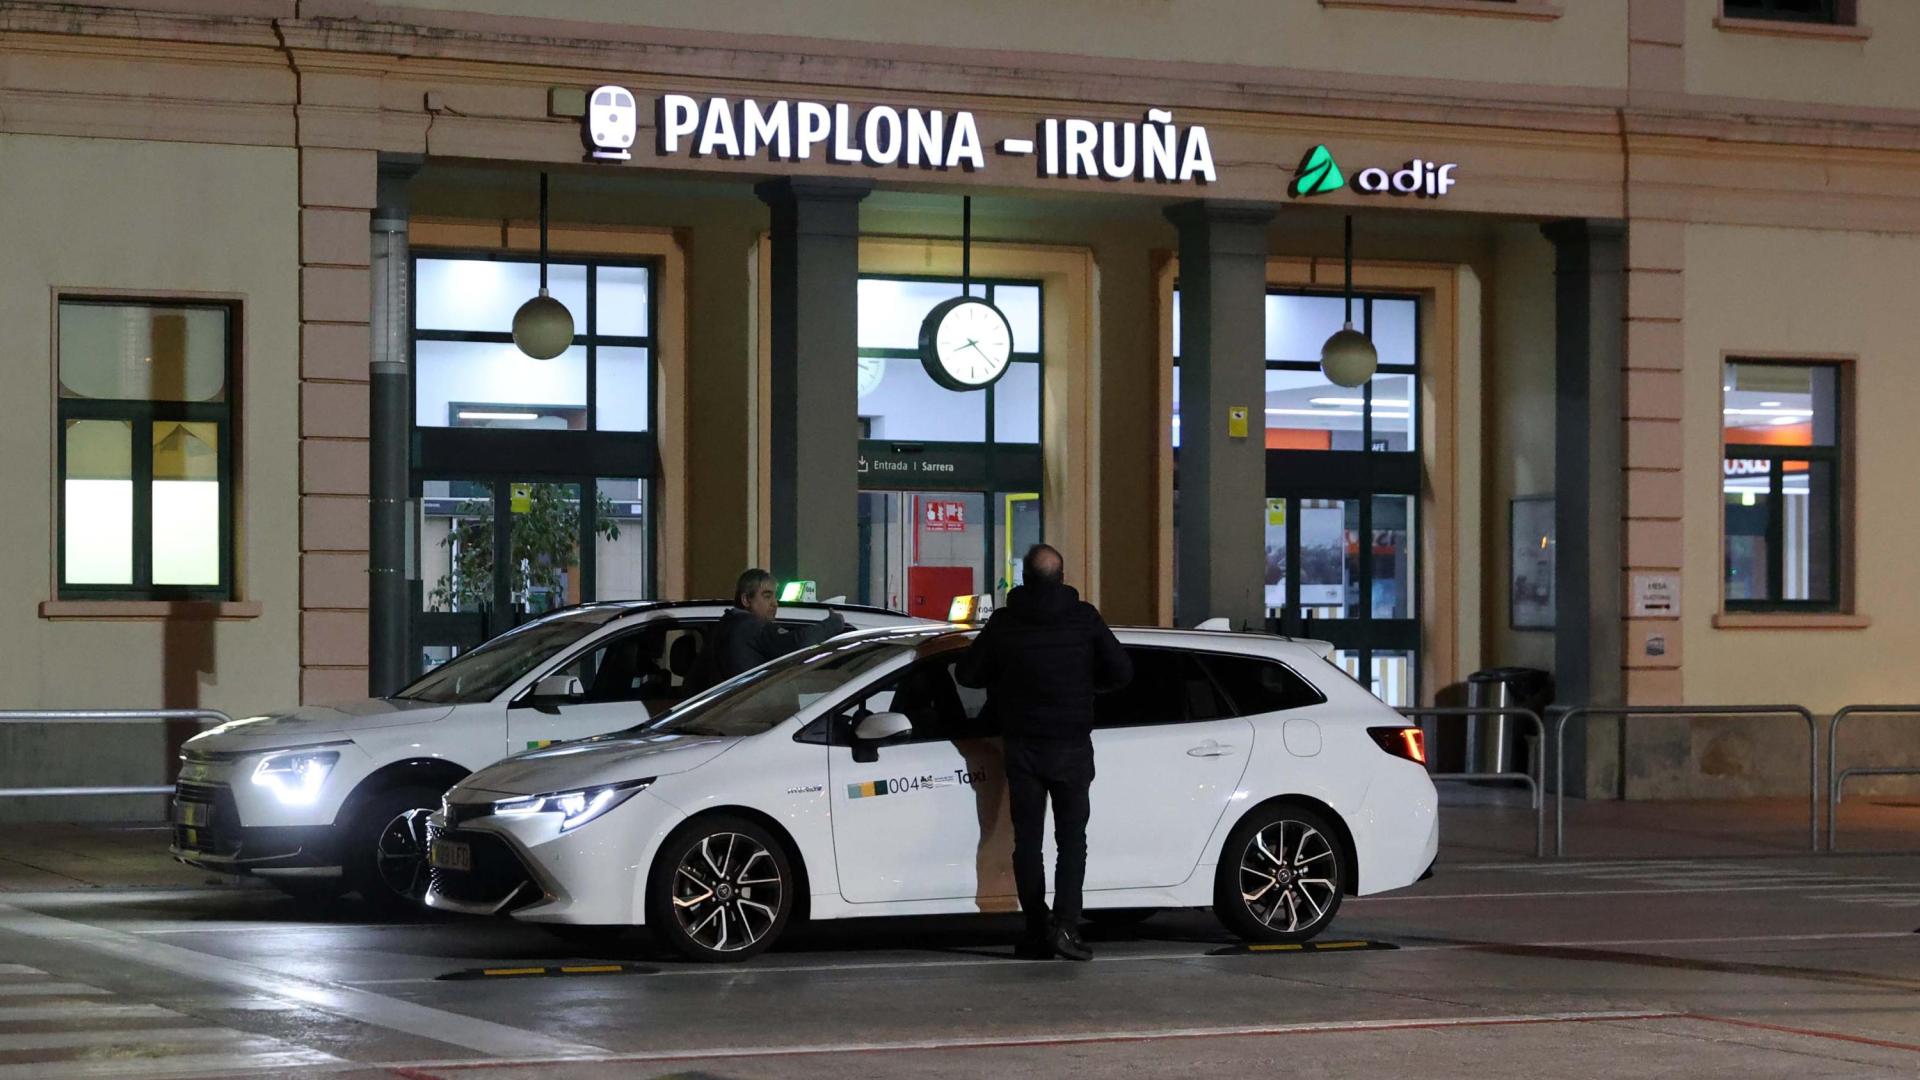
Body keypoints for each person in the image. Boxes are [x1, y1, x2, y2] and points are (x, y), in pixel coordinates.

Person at [957, 544, 1131, 961]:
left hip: (1023, 747)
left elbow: (968, 673)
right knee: (1072, 841)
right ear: (1063, 576)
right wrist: (1089, 690)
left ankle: (1036, 927)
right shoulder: (1084, 619)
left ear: (1024, 578)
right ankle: (1067, 928)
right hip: (1071, 745)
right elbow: (1122, 672)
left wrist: (1003, 683)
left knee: (1027, 842)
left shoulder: (1004, 623)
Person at [691, 568, 847, 691]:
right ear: (746, 600)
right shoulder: (752, 628)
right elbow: (796, 643)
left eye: (775, 597)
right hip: (751, 720)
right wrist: (832, 624)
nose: (775, 604)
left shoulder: (723, 626)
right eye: (767, 596)